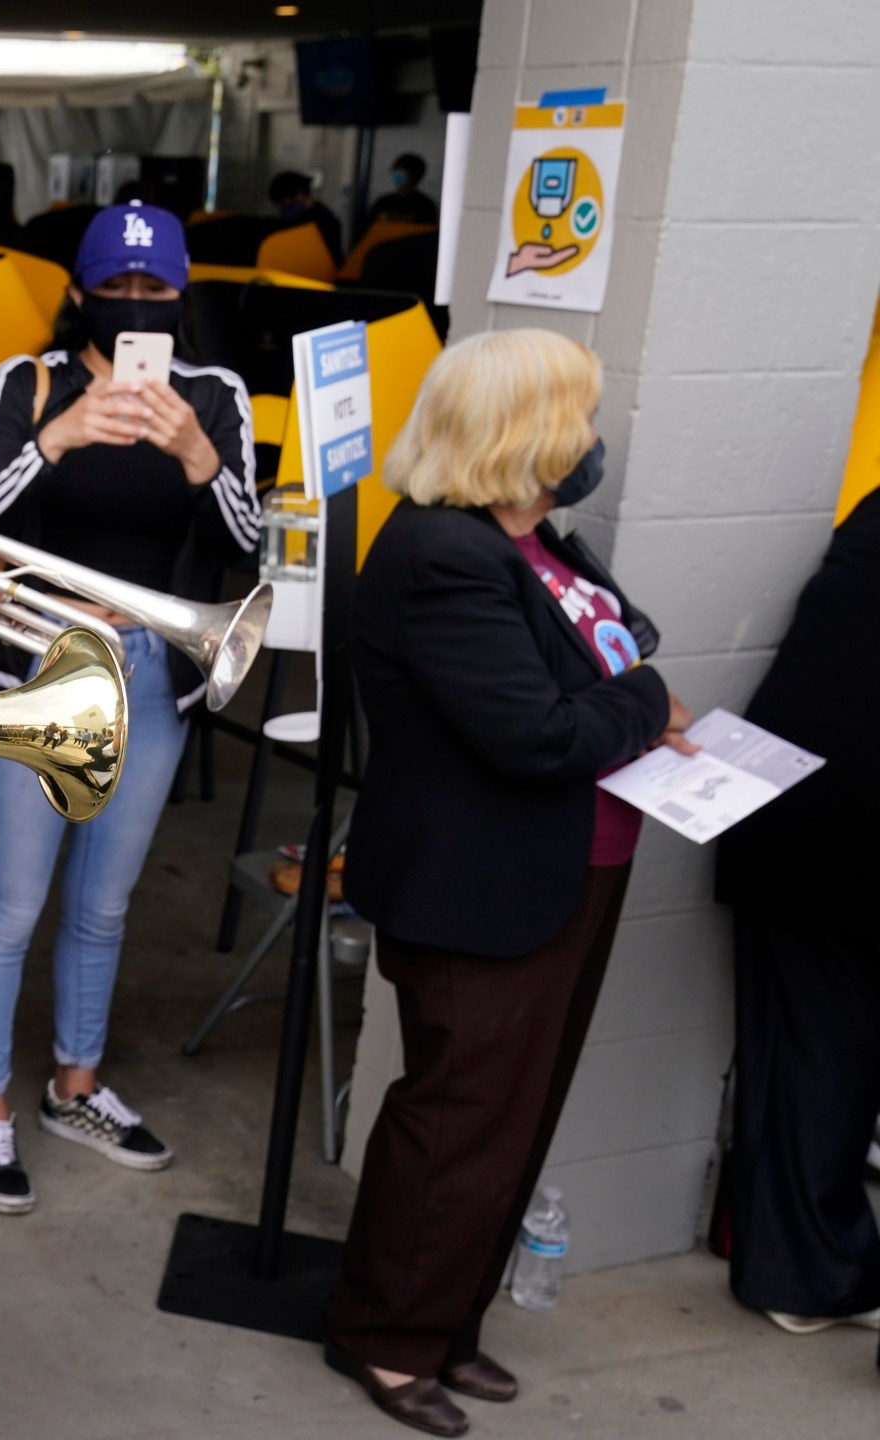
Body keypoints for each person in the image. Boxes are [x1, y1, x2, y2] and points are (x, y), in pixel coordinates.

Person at [326, 328, 695, 1436]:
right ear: (522, 432)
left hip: (573, 865)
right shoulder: (442, 556)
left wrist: (625, 684)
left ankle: (447, 1323)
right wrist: (646, 699)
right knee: (456, 1120)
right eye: (577, 416)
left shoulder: (533, 541)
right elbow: (537, 731)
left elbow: (620, 639)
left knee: (512, 1118)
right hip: (484, 885)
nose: (591, 439)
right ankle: (385, 1339)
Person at [0, 203, 258, 1215]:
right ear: (80, 291)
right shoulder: (27, 383)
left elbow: (250, 547)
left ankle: (74, 1085)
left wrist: (196, 457)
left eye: (154, 290)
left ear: (180, 293)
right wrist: (58, 437)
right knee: (12, 900)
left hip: (152, 667)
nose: (135, 306)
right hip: (36, 665)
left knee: (105, 902)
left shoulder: (213, 395)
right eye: (114, 289)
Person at [716, 489, 880, 1337]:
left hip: (799, 803)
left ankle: (807, 1268)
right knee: (823, 1049)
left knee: (816, 1046)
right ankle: (805, 1269)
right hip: (831, 820)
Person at [269, 169, 345, 263]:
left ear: (299, 195)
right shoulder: (301, 217)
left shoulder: (324, 220)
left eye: (285, 203)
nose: (284, 208)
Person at [364, 151, 439, 227]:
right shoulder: (383, 202)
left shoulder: (425, 205)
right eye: (395, 170)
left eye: (402, 172)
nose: (397, 175)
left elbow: (428, 231)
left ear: (414, 175)